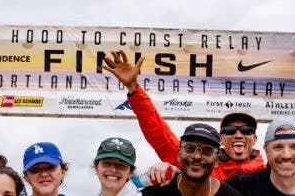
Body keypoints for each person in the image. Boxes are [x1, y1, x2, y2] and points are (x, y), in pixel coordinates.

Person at [103, 50, 265, 179]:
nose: (238, 134)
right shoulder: (201, 164)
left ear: (255, 139)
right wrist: (134, 88)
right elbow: (160, 136)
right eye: (230, 130)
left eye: (246, 131)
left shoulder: (269, 174)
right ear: (222, 139)